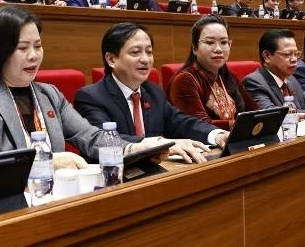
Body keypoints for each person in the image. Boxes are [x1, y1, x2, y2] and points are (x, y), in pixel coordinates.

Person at [0, 6, 156, 164]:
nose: (33, 56)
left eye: (38, 46)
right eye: (23, 48)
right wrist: (48, 161)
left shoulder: (49, 94)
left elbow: (91, 137)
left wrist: (138, 148)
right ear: (0, 52)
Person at [74, 22, 230, 163]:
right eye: (135, 52)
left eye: (149, 52)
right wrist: (160, 144)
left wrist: (217, 135)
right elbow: (105, 140)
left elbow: (181, 122)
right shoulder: (91, 97)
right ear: (111, 59)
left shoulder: (153, 91)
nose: (145, 59)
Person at [167, 15, 245, 130]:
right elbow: (199, 126)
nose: (218, 49)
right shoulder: (185, 80)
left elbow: (255, 110)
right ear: (194, 48)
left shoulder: (229, 76)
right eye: (209, 42)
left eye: (224, 42)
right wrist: (245, 125)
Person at [242, 29, 305, 110]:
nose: (294, 59)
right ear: (267, 56)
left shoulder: (291, 79)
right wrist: (300, 115)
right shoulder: (254, 83)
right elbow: (270, 115)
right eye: (287, 54)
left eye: (296, 54)